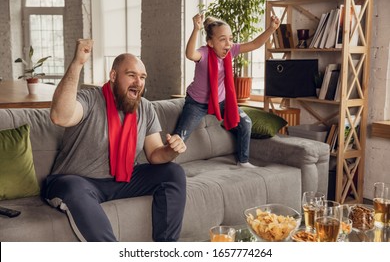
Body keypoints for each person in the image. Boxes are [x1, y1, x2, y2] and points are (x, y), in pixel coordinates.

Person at [42, 39, 187, 242]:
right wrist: (77, 64)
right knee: (73, 187)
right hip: (77, 180)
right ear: (113, 76)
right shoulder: (91, 99)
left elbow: (155, 154)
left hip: (122, 180)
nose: (139, 82)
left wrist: (172, 151)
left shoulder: (145, 107)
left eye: (143, 77)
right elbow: (60, 116)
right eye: (131, 75)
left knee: (173, 172)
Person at [173, 14, 280, 168]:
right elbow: (190, 54)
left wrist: (271, 29)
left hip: (222, 101)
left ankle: (243, 161)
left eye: (230, 39)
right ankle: (165, 164)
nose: (228, 44)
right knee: (180, 136)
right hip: (197, 103)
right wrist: (196, 29)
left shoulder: (231, 51)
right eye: (222, 39)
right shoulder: (203, 53)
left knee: (246, 122)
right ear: (210, 43)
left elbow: (255, 44)